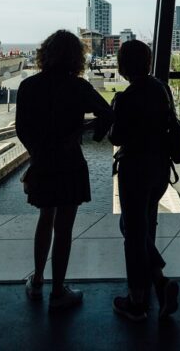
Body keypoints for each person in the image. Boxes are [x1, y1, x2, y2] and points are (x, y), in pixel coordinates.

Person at [16, 30, 112, 310]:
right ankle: (58, 291)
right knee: (65, 228)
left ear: (45, 54)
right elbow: (107, 114)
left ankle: (37, 283)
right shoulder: (77, 87)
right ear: (76, 57)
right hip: (70, 160)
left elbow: (22, 129)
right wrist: (84, 131)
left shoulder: (29, 86)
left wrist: (37, 154)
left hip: (44, 162)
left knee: (45, 219)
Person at [109, 40, 179, 321]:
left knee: (134, 234)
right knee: (140, 227)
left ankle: (137, 301)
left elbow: (116, 137)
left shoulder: (127, 97)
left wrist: (114, 111)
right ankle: (160, 284)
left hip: (135, 170)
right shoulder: (162, 89)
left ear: (123, 65)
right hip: (160, 168)